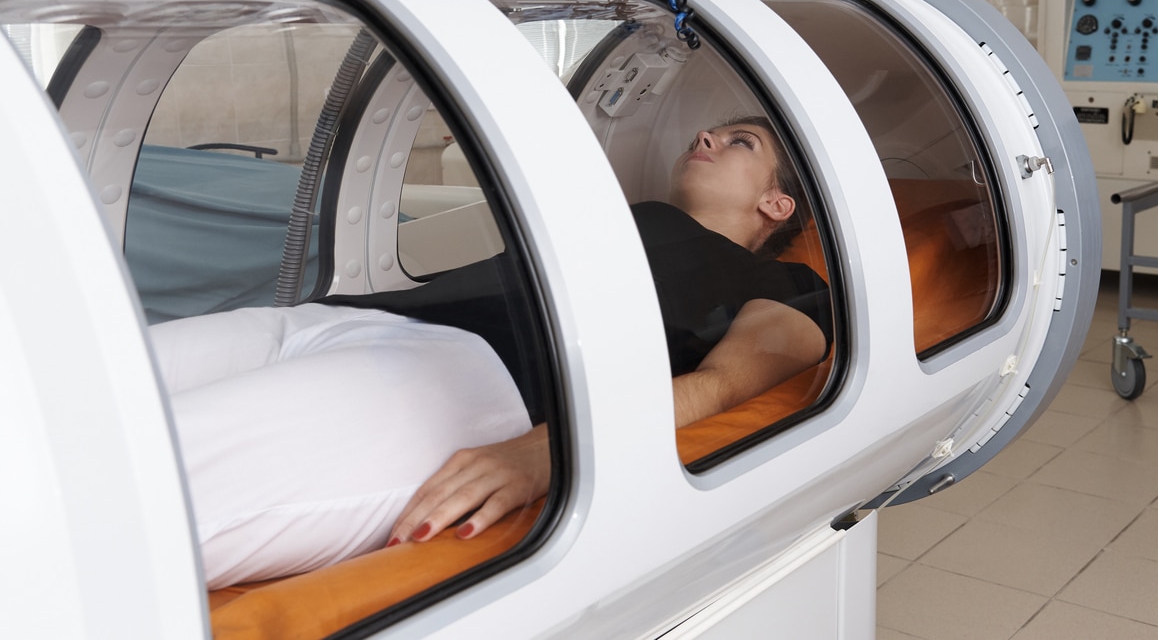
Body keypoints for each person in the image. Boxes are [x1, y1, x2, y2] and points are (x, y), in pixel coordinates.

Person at [152, 118, 832, 587]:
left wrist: (549, 450)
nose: (706, 136)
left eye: (741, 141)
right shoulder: (627, 212)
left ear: (776, 203)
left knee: (133, 488)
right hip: (342, 320)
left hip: (457, 381)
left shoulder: (786, 285)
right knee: (85, 385)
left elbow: (721, 387)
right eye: (713, 129)